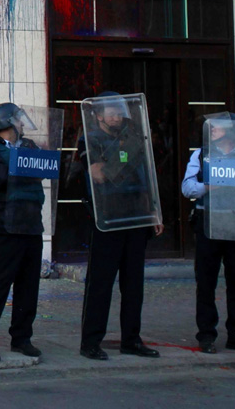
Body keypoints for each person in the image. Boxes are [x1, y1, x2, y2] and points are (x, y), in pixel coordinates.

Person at [78, 92, 164, 361]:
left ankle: (131, 339)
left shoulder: (134, 139)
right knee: (100, 285)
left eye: (119, 112)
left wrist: (153, 211)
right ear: (98, 115)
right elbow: (100, 175)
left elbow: (146, 176)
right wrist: (125, 155)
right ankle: (90, 342)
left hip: (136, 217)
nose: (116, 116)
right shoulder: (90, 139)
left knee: (133, 285)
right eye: (110, 112)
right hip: (108, 218)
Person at [0, 102, 46, 362]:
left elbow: (44, 169)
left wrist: (24, 165)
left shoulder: (28, 146)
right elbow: (0, 177)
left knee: (28, 285)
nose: (22, 124)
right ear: (7, 123)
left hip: (30, 223)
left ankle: (22, 338)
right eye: (18, 120)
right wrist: (24, 167)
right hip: (3, 226)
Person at [182, 113, 235, 353]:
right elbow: (187, 188)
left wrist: (234, 177)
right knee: (206, 282)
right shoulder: (200, 154)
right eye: (212, 126)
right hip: (209, 223)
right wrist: (208, 186)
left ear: (232, 131)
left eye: (218, 127)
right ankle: (206, 335)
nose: (213, 129)